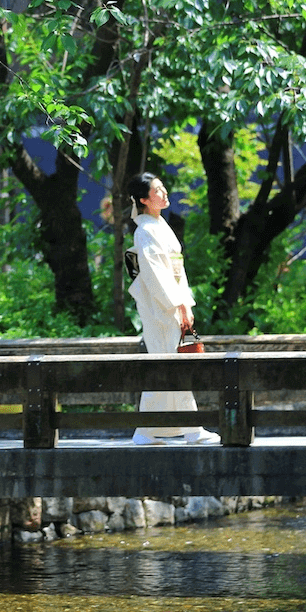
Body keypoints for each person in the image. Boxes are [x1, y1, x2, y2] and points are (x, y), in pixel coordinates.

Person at [125, 172, 221, 446]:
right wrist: (178, 304)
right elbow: (155, 274)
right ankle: (188, 429)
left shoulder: (157, 225)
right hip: (160, 308)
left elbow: (175, 272)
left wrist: (185, 302)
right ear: (144, 200)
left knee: (168, 364)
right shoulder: (145, 231)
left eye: (163, 187)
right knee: (171, 363)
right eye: (157, 190)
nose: (164, 192)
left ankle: (149, 430)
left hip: (171, 303)